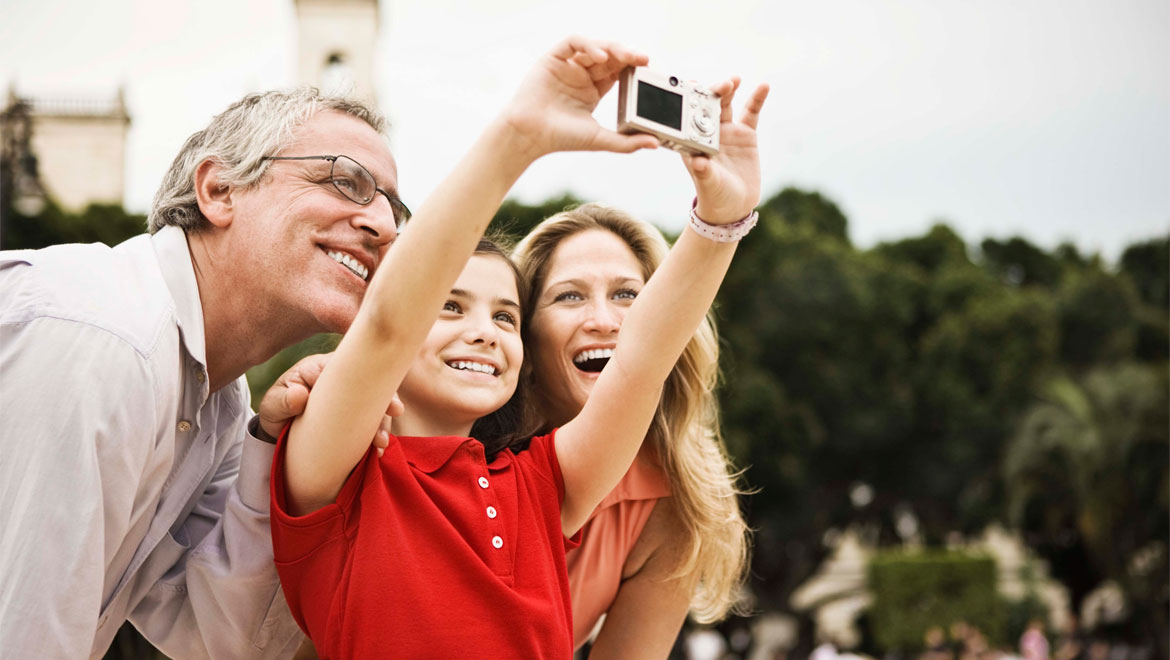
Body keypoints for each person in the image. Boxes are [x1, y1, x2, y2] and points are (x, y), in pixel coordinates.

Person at [267, 36, 768, 658]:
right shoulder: (338, 472)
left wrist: (721, 220)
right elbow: (388, 324)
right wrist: (518, 137)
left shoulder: (539, 488)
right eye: (449, 305)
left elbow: (641, 361)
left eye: (506, 316)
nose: (484, 330)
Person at [0, 86, 402, 657]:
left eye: (394, 207)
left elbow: (218, 636)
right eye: (346, 181)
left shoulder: (221, 397)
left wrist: (278, 450)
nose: (384, 226)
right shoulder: (105, 338)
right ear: (219, 190)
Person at [513, 201, 751, 656]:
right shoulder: (452, 444)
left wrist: (725, 213)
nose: (603, 321)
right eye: (569, 295)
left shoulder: (678, 503)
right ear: (523, 329)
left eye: (627, 295)